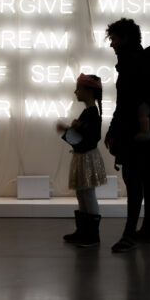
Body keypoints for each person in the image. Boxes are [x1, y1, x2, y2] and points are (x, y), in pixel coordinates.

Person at [104, 18, 150, 253]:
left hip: (135, 133)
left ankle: (129, 233)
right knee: (147, 177)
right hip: (148, 130)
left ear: (123, 38)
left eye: (113, 39)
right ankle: (146, 229)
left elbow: (124, 103)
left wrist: (113, 129)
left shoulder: (131, 64)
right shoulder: (141, 61)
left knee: (134, 180)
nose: (111, 44)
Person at [56, 74, 107, 247]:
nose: (76, 92)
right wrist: (73, 129)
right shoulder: (90, 112)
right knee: (82, 192)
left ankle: (91, 235)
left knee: (87, 193)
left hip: (86, 157)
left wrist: (75, 128)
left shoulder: (92, 113)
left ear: (89, 91)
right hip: (83, 156)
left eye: (79, 89)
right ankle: (84, 231)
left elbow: (92, 137)